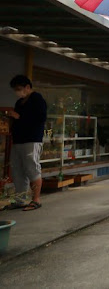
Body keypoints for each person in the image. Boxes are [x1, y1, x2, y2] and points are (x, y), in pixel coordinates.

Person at [7, 75, 47, 211]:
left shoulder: (37, 99)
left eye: (19, 89)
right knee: (17, 169)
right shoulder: (19, 103)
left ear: (27, 87)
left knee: (32, 168)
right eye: (15, 89)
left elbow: (41, 118)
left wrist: (20, 117)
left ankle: (36, 199)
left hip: (32, 139)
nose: (17, 92)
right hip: (18, 140)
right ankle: (20, 200)